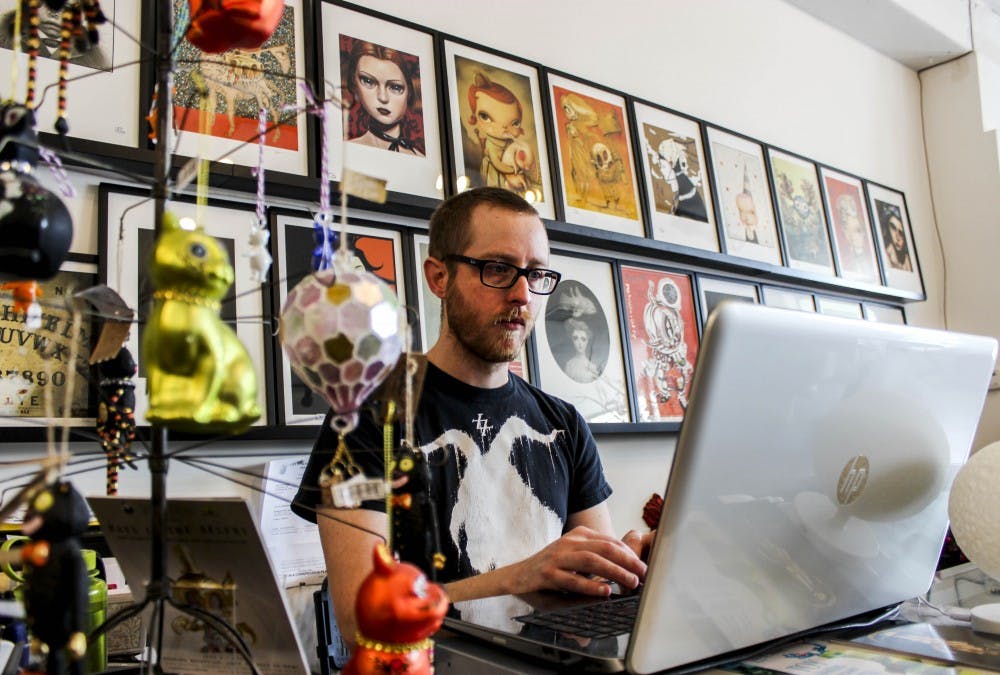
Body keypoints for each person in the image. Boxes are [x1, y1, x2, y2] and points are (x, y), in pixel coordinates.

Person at [292, 187, 651, 651]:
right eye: (498, 269)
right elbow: (363, 624)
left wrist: (631, 569)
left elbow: (590, 614)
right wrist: (517, 577)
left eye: (536, 273)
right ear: (439, 277)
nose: (523, 294)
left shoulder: (565, 424)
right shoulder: (368, 417)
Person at [342, 39, 425, 155]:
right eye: (368, 81)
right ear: (354, 82)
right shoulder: (346, 151)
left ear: (410, 91)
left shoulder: (419, 157)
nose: (383, 98)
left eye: (396, 87)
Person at [563, 317, 601, 384]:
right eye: (575, 338)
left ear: (587, 341)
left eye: (583, 339)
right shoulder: (569, 365)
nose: (579, 343)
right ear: (572, 340)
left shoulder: (592, 367)